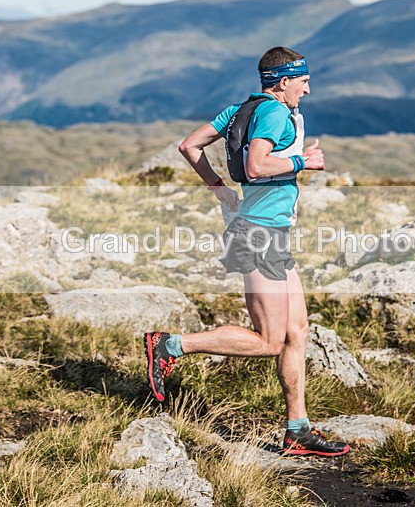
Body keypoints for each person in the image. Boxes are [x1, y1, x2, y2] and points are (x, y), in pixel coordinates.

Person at [144, 46, 350, 457]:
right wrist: (301, 163)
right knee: (271, 340)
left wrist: (218, 188)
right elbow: (257, 167)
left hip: (269, 234)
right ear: (284, 80)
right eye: (304, 81)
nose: (308, 90)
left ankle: (298, 430)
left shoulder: (241, 108)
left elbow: (189, 146)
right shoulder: (273, 112)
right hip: (260, 236)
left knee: (298, 330)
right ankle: (170, 345)